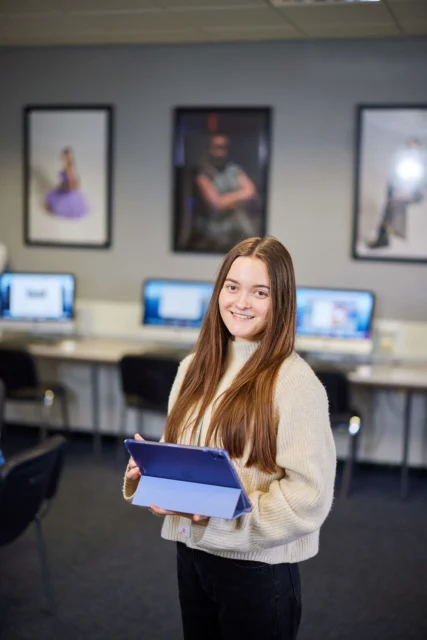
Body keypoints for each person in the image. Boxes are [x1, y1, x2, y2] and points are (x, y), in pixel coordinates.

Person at [123, 236, 336, 640]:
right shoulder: (193, 368)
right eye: (232, 286)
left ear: (282, 301)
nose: (241, 302)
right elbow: (189, 458)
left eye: (260, 292)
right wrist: (155, 474)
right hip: (192, 554)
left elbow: (309, 498)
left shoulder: (295, 384)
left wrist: (225, 516)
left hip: (257, 570)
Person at [189, 133, 260, 252]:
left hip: (238, 227)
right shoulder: (203, 173)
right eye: (217, 147)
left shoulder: (234, 169)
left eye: (224, 147)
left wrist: (227, 199)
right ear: (209, 148)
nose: (221, 151)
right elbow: (216, 203)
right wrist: (239, 196)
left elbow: (250, 191)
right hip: (214, 231)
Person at [367, 138, 426, 249]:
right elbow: (394, 181)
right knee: (389, 207)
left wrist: (407, 193)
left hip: (414, 195)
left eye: (414, 148)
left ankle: (384, 237)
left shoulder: (421, 164)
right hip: (398, 193)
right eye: (410, 147)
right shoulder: (402, 162)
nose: (411, 150)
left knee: (393, 205)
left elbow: (420, 184)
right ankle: (382, 237)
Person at [45, 147, 89, 219]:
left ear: (70, 157)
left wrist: (67, 186)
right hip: (65, 189)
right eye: (64, 157)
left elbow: (73, 183)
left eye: (67, 157)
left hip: (68, 194)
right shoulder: (66, 167)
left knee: (58, 205)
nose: (65, 159)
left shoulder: (70, 169)